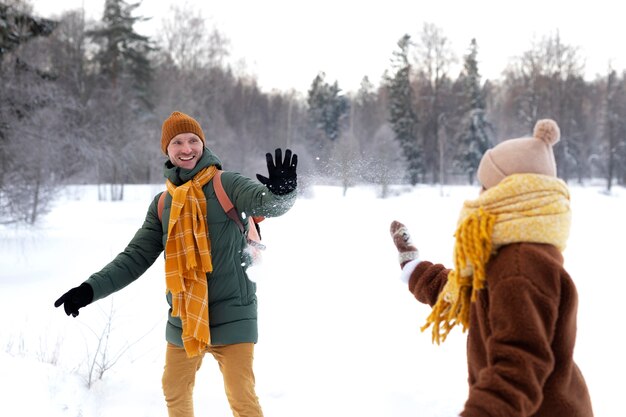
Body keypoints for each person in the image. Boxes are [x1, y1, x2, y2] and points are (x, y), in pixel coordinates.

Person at [54, 111, 298, 417]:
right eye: (178, 142)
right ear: (166, 150)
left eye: (193, 140)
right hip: (185, 316)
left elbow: (267, 203)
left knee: (241, 395)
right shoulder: (162, 204)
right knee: (174, 389)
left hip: (233, 312)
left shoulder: (227, 183)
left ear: (203, 144)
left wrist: (283, 191)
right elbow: (135, 257)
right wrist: (89, 290)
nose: (187, 148)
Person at [389, 119, 593, 417]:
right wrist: (415, 267)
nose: (479, 196)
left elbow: (517, 370)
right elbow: (467, 297)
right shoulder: (515, 254)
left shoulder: (521, 266)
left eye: (485, 185)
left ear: (508, 191)